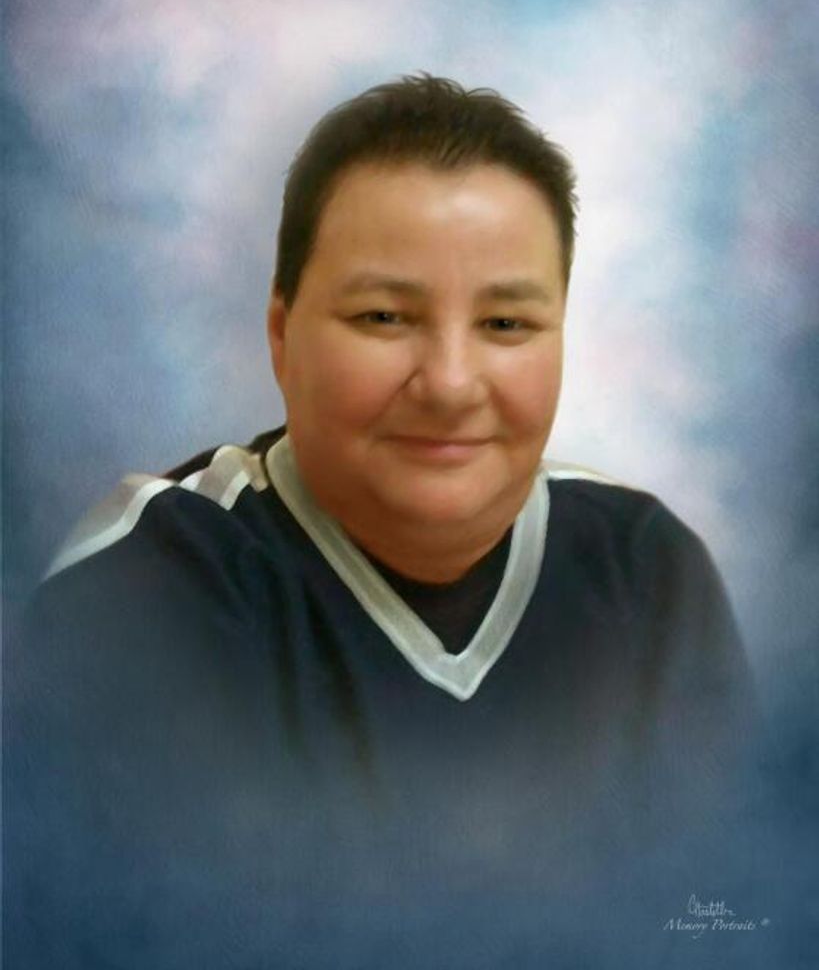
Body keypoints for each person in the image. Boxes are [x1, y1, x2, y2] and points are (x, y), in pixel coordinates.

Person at [6, 75, 757, 968]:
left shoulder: (644, 571)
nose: (449, 383)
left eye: (505, 322)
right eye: (383, 317)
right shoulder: (147, 589)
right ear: (281, 336)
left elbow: (726, 922)